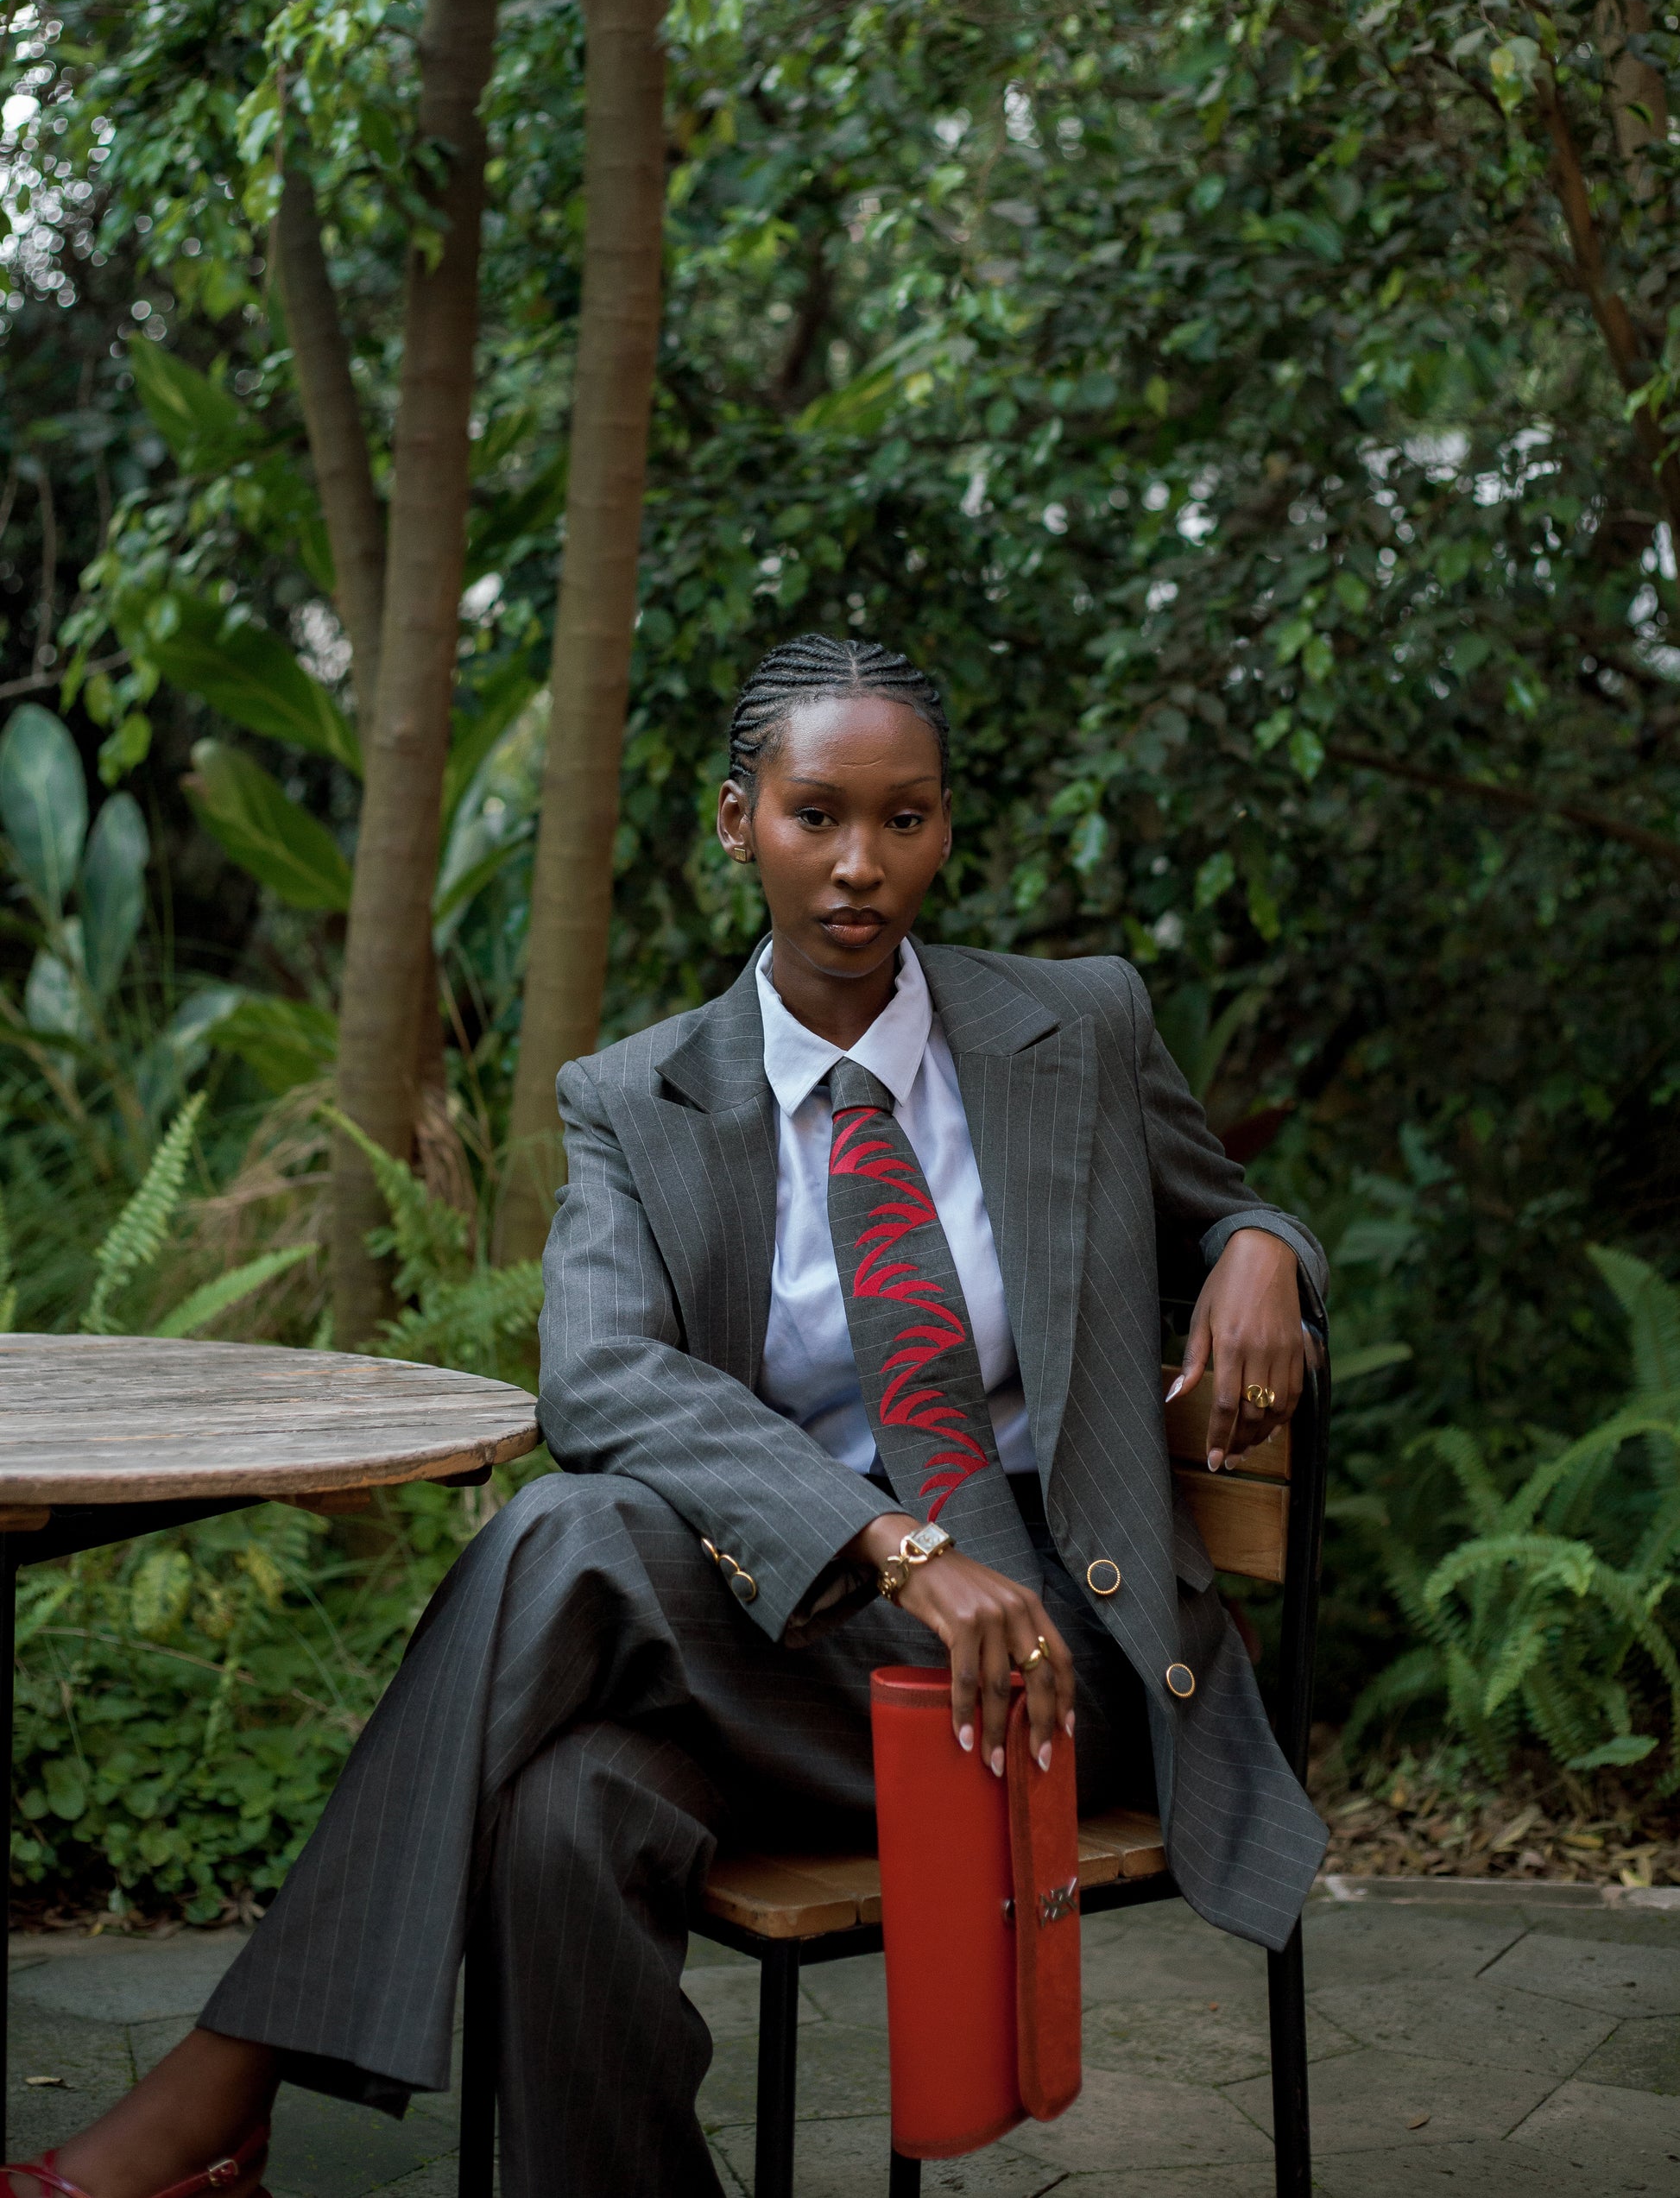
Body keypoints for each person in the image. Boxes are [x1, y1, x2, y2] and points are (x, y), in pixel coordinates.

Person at [4, 633, 1328, 2198]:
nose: (858, 864)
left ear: (942, 830)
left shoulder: (1073, 1029)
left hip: (1054, 1656)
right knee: (569, 1814)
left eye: (901, 819)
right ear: (734, 822)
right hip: (801, 1643)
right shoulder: (638, 1099)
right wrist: (893, 1548)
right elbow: (601, 1376)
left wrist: (1261, 1249)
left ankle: (222, 2084)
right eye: (815, 814)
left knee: (572, 1531)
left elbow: (1229, 1203)